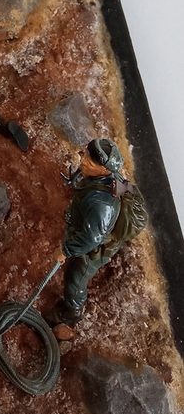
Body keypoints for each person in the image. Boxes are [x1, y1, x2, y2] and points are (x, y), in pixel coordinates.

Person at [45, 137, 147, 327]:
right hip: (93, 228)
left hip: (92, 251)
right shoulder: (101, 177)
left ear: (105, 170)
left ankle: (72, 312)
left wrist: (65, 250)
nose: (84, 162)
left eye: (91, 163)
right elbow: (84, 172)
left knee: (75, 279)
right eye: (86, 157)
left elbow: (90, 240)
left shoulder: (101, 205)